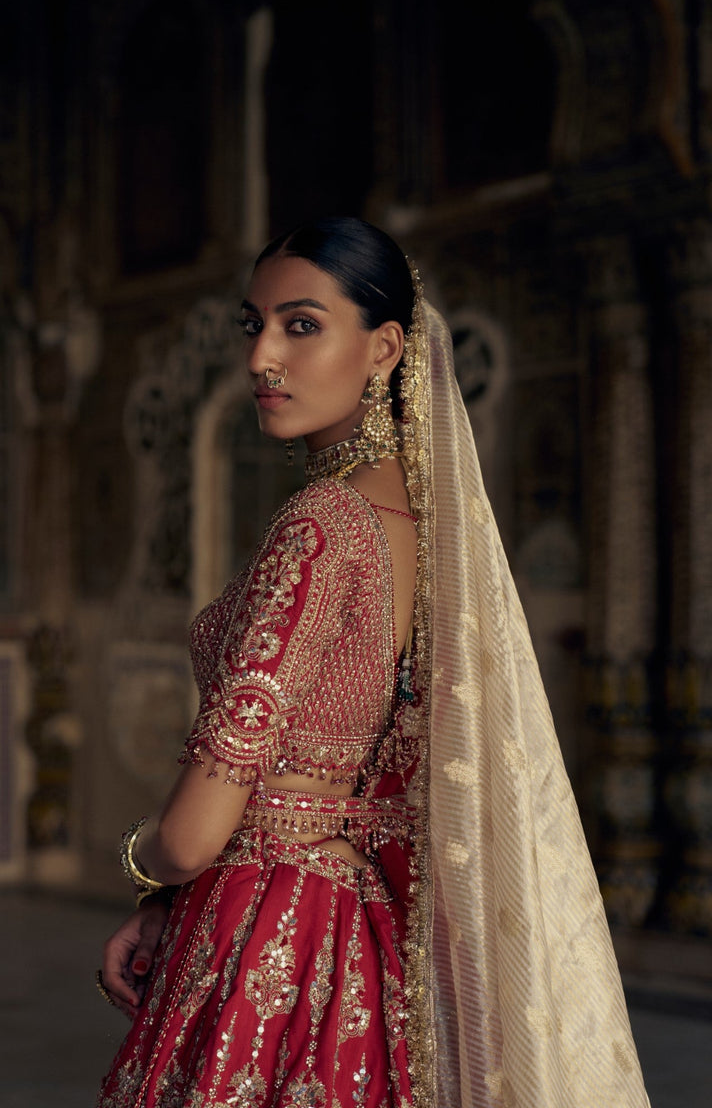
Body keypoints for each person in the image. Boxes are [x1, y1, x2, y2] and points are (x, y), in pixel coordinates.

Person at [96, 218, 650, 1108]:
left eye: (301, 325)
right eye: (255, 325)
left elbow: (196, 832)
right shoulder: (427, 529)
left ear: (386, 346)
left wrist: (143, 867)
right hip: (352, 925)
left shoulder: (323, 526)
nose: (262, 358)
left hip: (261, 925)